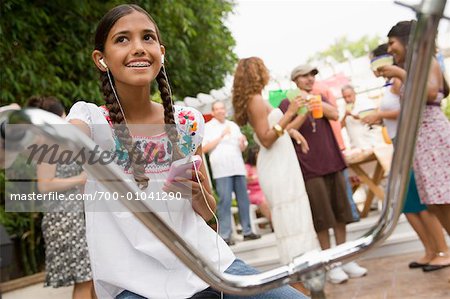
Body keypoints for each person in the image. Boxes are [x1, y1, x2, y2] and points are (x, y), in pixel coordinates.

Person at [64, 5, 306, 298]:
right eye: (122, 39)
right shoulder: (91, 119)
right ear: (101, 59)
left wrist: (200, 194)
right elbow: (59, 144)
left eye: (148, 38)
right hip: (134, 282)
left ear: (161, 52)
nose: (139, 48)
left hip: (209, 264)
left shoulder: (187, 122)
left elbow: (207, 212)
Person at [367, 27, 450, 272]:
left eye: (392, 42)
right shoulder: (411, 68)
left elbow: (430, 92)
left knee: (444, 198)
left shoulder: (427, 62)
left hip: (433, 137)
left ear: (406, 41)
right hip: (418, 141)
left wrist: (400, 73)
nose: (390, 48)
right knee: (434, 203)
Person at [232, 57, 317, 293]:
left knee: (297, 219)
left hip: (283, 162)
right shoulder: (255, 101)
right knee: (290, 222)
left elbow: (279, 129)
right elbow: (267, 138)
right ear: (257, 73)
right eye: (263, 69)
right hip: (275, 165)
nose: (267, 72)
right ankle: (299, 286)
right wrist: (289, 111)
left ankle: (305, 282)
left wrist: (296, 121)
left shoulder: (258, 99)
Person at [279, 64, 367, 284]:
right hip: (310, 167)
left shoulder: (319, 96)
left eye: (312, 75)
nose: (309, 79)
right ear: (295, 80)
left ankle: (344, 258)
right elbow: (285, 131)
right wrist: (302, 109)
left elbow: (336, 114)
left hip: (333, 160)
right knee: (322, 217)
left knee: (341, 213)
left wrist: (315, 102)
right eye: (304, 76)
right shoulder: (286, 103)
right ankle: (330, 263)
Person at [26, 96, 95, 299]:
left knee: (92, 278)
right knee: (85, 280)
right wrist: (79, 179)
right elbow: (45, 184)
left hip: (75, 216)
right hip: (65, 220)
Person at [203, 101, 260, 245]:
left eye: (222, 108)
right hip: (222, 170)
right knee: (225, 201)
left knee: (243, 200)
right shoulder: (209, 127)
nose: (221, 111)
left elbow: (242, 147)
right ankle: (225, 235)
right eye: (218, 109)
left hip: (238, 167)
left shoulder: (233, 126)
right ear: (213, 112)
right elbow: (204, 148)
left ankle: (247, 231)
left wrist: (242, 143)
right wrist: (221, 136)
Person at [244, 144, 271, 222]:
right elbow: (244, 179)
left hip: (265, 190)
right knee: (264, 200)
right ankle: (274, 222)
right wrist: (253, 178)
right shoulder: (247, 167)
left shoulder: (263, 165)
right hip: (254, 192)